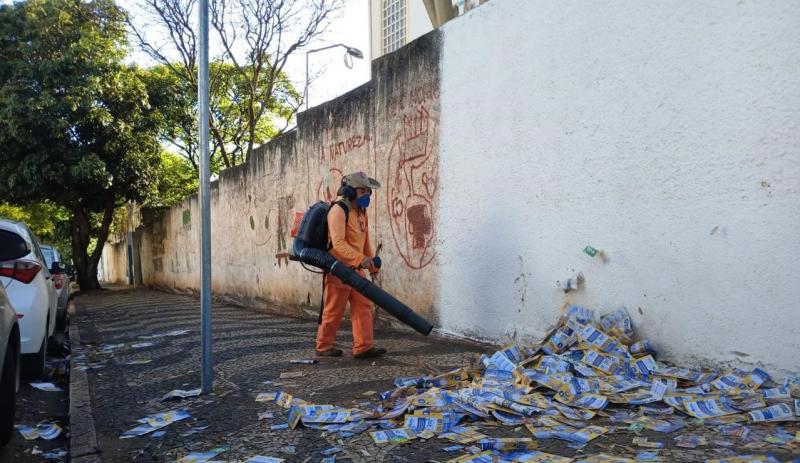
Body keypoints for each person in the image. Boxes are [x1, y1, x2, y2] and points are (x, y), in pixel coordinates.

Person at [316, 172, 387, 359]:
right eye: (363, 191)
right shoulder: (338, 211)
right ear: (350, 191)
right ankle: (323, 345)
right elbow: (338, 244)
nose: (367, 195)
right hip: (338, 270)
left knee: (363, 306)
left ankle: (363, 347)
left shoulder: (362, 212)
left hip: (357, 270)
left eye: (368, 192)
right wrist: (359, 259)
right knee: (333, 309)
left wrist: (372, 266)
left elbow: (365, 242)